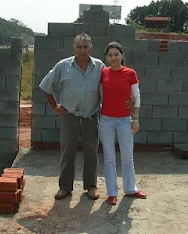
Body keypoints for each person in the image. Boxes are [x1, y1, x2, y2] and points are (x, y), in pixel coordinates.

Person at [39, 33, 135, 200]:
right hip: (70, 117)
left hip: (91, 117)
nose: (82, 50)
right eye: (79, 47)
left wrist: (129, 102)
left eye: (85, 47)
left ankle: (91, 186)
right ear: (74, 48)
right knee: (68, 152)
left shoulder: (99, 67)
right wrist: (55, 105)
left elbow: (114, 84)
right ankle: (65, 187)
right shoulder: (63, 66)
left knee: (91, 153)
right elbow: (47, 86)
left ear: (91, 48)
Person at [98, 41, 147, 205]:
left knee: (127, 157)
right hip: (106, 121)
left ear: (122, 55)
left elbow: (137, 97)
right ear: (106, 57)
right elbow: (97, 94)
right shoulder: (103, 72)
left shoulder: (130, 73)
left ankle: (131, 189)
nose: (113, 58)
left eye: (116, 54)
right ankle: (112, 192)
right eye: (110, 55)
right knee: (109, 158)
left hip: (125, 121)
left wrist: (135, 119)